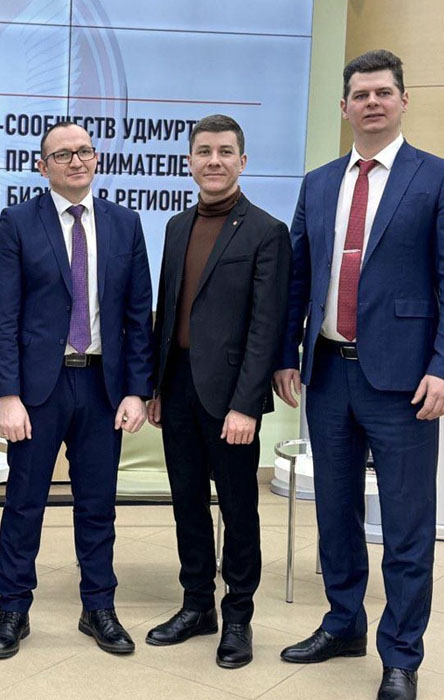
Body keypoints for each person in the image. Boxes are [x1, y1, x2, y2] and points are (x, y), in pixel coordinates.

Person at [273, 50, 444, 700]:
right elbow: (298, 277)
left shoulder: (439, 178)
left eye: (383, 92)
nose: (371, 103)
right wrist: (286, 354)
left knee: (407, 525)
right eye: (360, 94)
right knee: (334, 514)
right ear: (344, 107)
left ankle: (401, 655)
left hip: (407, 382)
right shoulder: (318, 183)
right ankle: (343, 624)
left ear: (403, 100)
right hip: (329, 375)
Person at [0, 121, 153, 659]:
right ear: (42, 166)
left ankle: (98, 607)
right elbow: (1, 316)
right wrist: (8, 394)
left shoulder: (125, 223)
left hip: (103, 386)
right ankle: (13, 610)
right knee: (24, 503)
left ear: (96, 159)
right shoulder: (17, 222)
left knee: (98, 505)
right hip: (39, 390)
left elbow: (138, 315)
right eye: (62, 155)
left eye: (84, 152)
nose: (76, 162)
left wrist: (137, 390)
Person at [147, 114, 290, 669]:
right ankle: (196, 606)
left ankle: (238, 617)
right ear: (189, 161)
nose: (214, 161)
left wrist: (245, 405)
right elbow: (167, 312)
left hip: (231, 395)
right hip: (178, 387)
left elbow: (266, 326)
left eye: (225, 151)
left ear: (242, 161)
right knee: (187, 503)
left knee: (238, 507)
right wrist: (156, 386)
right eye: (204, 151)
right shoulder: (176, 226)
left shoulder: (266, 231)